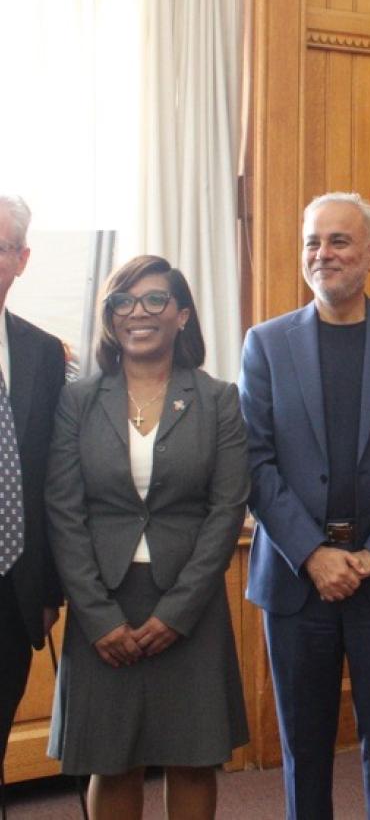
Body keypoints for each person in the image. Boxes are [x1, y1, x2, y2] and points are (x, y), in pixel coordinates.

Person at [239, 191, 370, 820]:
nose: (323, 253)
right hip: (295, 578)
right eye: (312, 241)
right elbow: (255, 461)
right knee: (302, 746)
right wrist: (312, 553)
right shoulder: (266, 343)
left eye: (338, 241)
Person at [43, 255, 249, 818]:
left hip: (188, 605)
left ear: (182, 314)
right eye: (123, 302)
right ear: (110, 319)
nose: (139, 312)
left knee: (191, 756)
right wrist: (99, 616)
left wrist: (177, 612)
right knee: (112, 759)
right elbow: (63, 510)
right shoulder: (78, 401)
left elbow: (226, 510)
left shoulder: (217, 400)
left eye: (155, 300)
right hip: (102, 604)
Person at [0, 196, 65, 783]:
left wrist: (48, 591)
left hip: (12, 597)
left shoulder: (42, 353)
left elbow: (49, 480)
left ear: (20, 259)